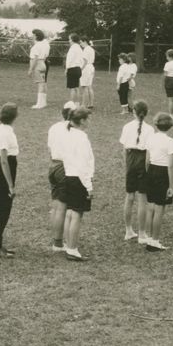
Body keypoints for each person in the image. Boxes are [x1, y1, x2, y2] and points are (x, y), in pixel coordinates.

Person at [60, 106, 94, 262]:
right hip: (78, 178)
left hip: (69, 176)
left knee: (70, 212)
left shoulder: (67, 134)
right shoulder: (81, 137)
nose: (89, 121)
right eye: (87, 119)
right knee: (76, 214)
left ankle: (69, 245)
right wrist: (88, 186)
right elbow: (83, 163)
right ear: (81, 121)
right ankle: (72, 249)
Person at [119, 100, 153, 243]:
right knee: (142, 199)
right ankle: (142, 233)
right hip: (142, 159)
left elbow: (123, 150)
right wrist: (147, 168)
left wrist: (127, 165)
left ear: (134, 112)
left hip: (131, 159)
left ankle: (128, 230)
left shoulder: (127, 127)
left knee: (129, 196)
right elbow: (149, 152)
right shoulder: (150, 129)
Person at [0, 103, 20, 258]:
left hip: (2, 167)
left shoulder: (4, 129)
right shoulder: (5, 132)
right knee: (2, 208)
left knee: (3, 208)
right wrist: (10, 185)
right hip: (4, 168)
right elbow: (3, 160)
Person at [143, 113, 173, 251]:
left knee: (150, 207)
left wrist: (148, 173)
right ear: (170, 127)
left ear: (156, 125)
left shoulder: (150, 138)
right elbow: (170, 166)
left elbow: (147, 160)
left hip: (151, 170)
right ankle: (155, 241)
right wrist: (171, 186)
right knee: (159, 210)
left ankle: (149, 238)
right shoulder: (170, 142)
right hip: (163, 173)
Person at [47, 101, 77, 252]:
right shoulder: (72, 130)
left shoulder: (53, 128)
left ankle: (57, 240)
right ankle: (58, 243)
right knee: (63, 208)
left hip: (53, 165)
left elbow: (50, 149)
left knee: (56, 206)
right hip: (64, 167)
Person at [27, 29, 51, 110]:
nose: (32, 36)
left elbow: (35, 58)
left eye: (33, 35)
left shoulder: (36, 46)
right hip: (43, 63)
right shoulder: (44, 44)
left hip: (38, 65)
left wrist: (31, 69)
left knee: (40, 84)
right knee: (43, 83)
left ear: (36, 36)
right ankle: (43, 103)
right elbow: (44, 56)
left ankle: (39, 104)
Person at [64, 34, 84, 104]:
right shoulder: (79, 48)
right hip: (78, 69)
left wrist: (66, 69)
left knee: (72, 88)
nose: (69, 40)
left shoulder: (72, 48)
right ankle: (77, 103)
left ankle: (71, 103)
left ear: (72, 40)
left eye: (69, 39)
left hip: (72, 69)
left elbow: (69, 59)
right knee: (76, 87)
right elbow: (82, 60)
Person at [79, 37, 96, 110]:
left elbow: (85, 61)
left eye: (81, 42)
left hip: (86, 68)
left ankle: (83, 104)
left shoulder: (86, 49)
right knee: (89, 86)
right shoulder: (91, 49)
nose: (80, 44)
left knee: (84, 87)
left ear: (85, 41)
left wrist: (80, 69)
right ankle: (91, 104)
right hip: (91, 67)